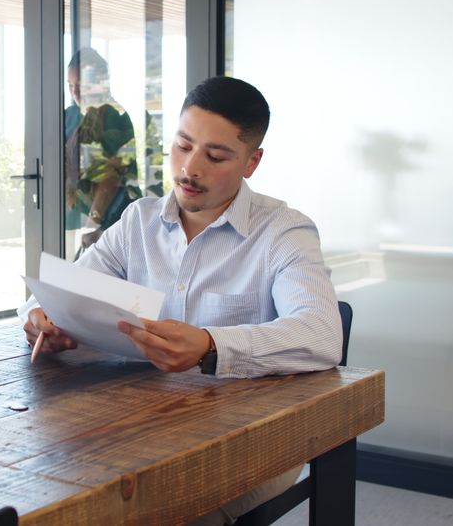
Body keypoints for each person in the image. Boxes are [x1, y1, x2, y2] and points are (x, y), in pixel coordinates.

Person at [20, 76, 342, 522]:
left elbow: (322, 333)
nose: (191, 169)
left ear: (252, 162)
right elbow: (65, 286)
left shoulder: (283, 232)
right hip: (140, 422)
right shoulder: (139, 221)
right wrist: (42, 317)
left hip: (249, 437)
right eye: (183, 145)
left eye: (216, 156)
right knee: (49, 485)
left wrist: (211, 345)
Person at [64, 48, 137, 255]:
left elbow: (111, 177)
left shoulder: (115, 117)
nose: (75, 92)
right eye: (70, 86)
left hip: (106, 221)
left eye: (81, 85)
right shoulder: (70, 116)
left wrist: (92, 223)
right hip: (76, 216)